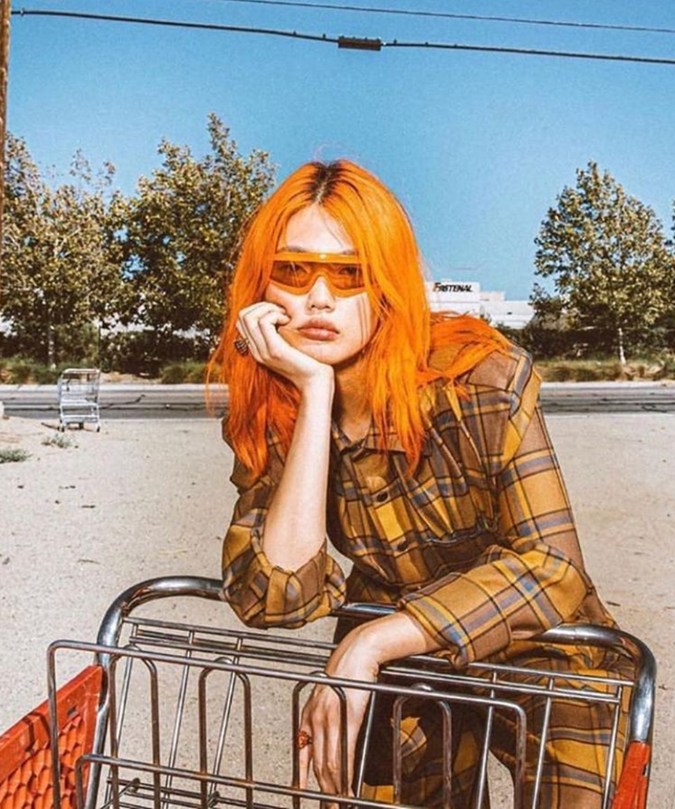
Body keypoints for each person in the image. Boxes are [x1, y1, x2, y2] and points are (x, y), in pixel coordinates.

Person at [209, 159, 625, 808]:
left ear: (387, 285)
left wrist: (370, 641)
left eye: (350, 273)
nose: (319, 297)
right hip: (406, 659)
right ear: (262, 285)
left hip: (541, 646)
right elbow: (278, 597)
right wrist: (314, 395)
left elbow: (552, 567)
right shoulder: (276, 409)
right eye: (293, 269)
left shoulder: (477, 378)